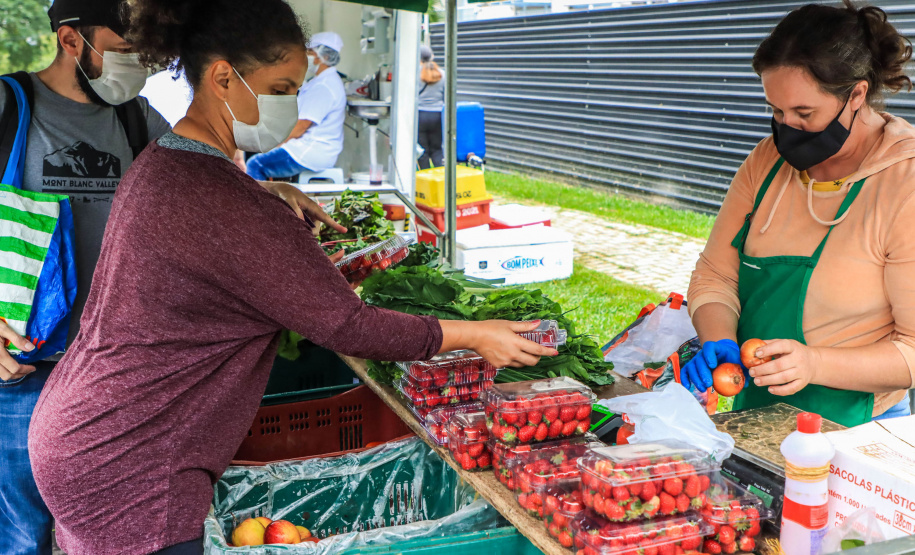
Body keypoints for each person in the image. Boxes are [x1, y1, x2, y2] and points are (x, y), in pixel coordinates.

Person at [27, 1, 555, 554]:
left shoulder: (168, 160)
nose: (293, 105)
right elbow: (349, 326)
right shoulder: (220, 198)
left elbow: (212, 230)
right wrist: (476, 334)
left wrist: (261, 193)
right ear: (224, 76)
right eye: (280, 87)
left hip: (88, 429)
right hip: (131, 462)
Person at [0, 2, 337, 553]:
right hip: (19, 368)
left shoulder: (137, 119)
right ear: (69, 39)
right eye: (125, 50)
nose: (137, 63)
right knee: (19, 539)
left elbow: (201, 183)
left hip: (111, 385)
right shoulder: (9, 108)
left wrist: (266, 192)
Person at [684, 0, 915, 427]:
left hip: (857, 427)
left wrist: (814, 364)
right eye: (776, 110)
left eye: (804, 113)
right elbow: (715, 274)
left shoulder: (905, 184)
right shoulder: (766, 162)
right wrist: (717, 337)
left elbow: (912, 350)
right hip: (755, 415)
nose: (786, 128)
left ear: (856, 94)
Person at [246, 31, 347, 181]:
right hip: (307, 146)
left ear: (324, 57)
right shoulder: (320, 81)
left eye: (310, 52)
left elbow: (301, 127)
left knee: (256, 164)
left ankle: (256, 205)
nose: (306, 56)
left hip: (312, 150)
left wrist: (275, 145)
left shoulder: (324, 86)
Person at [417, 45, 444, 169]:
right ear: (432, 56)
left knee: (423, 151)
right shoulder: (441, 73)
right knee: (437, 150)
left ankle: (426, 181)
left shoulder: (414, 74)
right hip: (437, 116)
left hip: (420, 115)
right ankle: (441, 180)